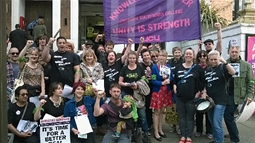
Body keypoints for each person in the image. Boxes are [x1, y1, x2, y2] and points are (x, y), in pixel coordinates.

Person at [202, 50, 235, 143]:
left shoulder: (223, 68)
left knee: (217, 124)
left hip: (220, 100)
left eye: (215, 59)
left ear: (219, 58)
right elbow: (206, 83)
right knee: (212, 122)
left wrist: (225, 62)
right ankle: (216, 140)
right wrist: (204, 91)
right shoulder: (208, 69)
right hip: (210, 101)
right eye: (211, 59)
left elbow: (233, 72)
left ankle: (220, 141)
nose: (213, 61)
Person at [174, 48, 205, 143]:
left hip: (192, 98)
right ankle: (183, 136)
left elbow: (202, 82)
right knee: (182, 117)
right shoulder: (178, 67)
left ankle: (189, 136)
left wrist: (199, 92)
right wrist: (174, 86)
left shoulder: (198, 68)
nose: (188, 55)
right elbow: (175, 80)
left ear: (193, 56)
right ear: (184, 55)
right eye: (187, 53)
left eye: (190, 54)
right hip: (180, 97)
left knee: (190, 118)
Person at [224, 46, 254, 143]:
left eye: (236, 51)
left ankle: (235, 139)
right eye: (232, 52)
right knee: (229, 116)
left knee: (228, 115)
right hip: (225, 94)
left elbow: (251, 81)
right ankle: (233, 132)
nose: (234, 53)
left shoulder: (246, 65)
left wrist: (250, 95)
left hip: (237, 94)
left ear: (239, 52)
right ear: (229, 52)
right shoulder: (224, 63)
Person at [150, 50, 173, 141]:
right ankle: (155, 131)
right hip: (158, 91)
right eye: (160, 55)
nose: (161, 57)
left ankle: (160, 129)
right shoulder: (155, 67)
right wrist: (162, 82)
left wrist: (168, 79)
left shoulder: (168, 66)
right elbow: (153, 80)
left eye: (163, 55)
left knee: (162, 111)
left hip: (166, 91)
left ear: (166, 57)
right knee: (156, 112)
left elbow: (171, 77)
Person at [18, 40, 45, 107]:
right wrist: (27, 46)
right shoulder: (24, 65)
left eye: (36, 55)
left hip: (38, 92)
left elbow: (42, 80)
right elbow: (20, 58)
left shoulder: (40, 66)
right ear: (28, 55)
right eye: (32, 55)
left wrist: (43, 91)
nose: (34, 56)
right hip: (27, 91)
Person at [194, 50, 212, 139]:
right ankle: (199, 130)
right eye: (200, 56)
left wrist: (205, 91)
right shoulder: (196, 67)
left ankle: (209, 131)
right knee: (199, 113)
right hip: (198, 92)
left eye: (204, 56)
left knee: (209, 113)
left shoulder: (210, 67)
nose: (202, 58)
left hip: (208, 93)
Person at [167, 46, 183, 134]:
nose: (177, 54)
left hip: (181, 87)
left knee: (180, 108)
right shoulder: (170, 62)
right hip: (171, 87)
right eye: (175, 52)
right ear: (173, 54)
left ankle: (180, 127)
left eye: (178, 52)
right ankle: (173, 126)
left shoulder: (184, 61)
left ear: (181, 53)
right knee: (172, 107)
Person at [139, 48, 153, 134]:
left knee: (149, 108)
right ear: (142, 57)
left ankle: (149, 125)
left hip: (151, 89)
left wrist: (151, 75)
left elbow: (155, 76)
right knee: (142, 109)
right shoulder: (140, 65)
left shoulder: (153, 65)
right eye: (144, 56)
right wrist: (146, 76)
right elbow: (140, 77)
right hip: (142, 90)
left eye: (147, 55)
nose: (146, 57)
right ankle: (142, 126)